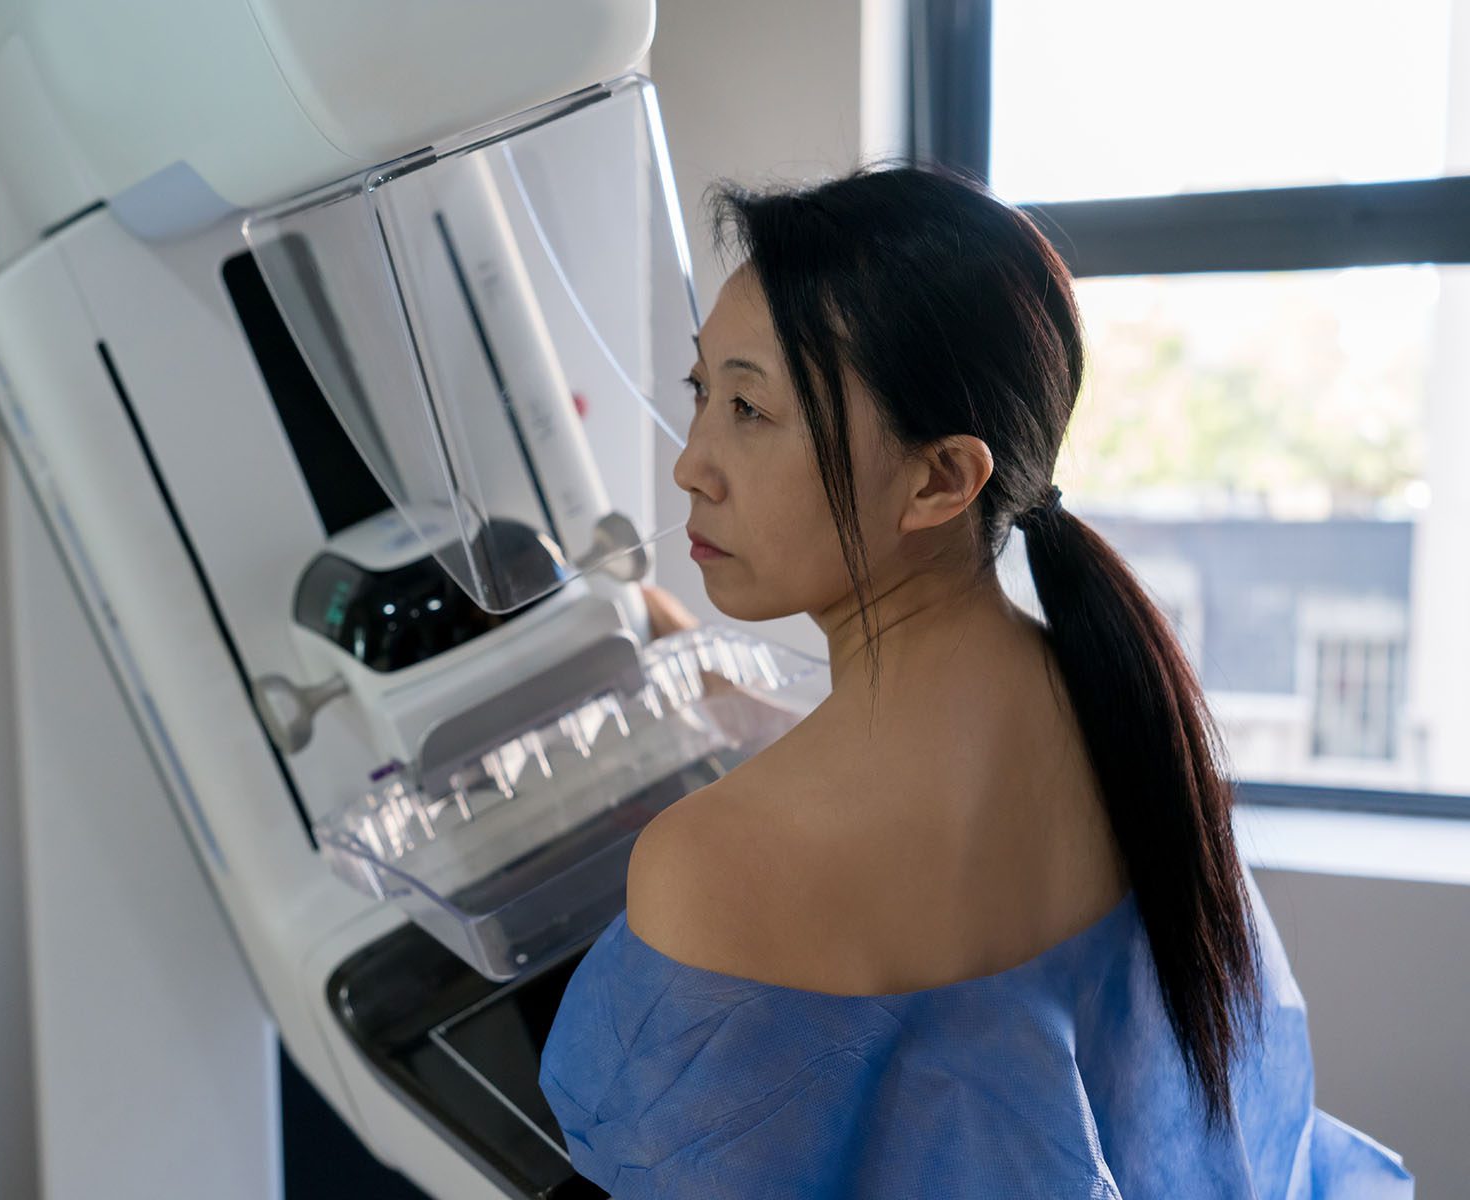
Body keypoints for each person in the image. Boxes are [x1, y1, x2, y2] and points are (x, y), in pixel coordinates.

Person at [537, 164, 1412, 1198]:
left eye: (748, 408)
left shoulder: (704, 869)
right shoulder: (1119, 705)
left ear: (942, 478)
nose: (692, 463)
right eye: (701, 393)